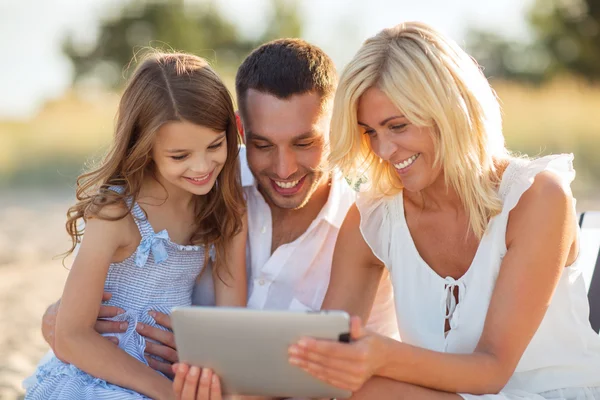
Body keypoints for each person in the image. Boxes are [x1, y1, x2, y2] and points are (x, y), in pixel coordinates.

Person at [37, 40, 399, 397]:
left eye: (304, 143)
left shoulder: (362, 224)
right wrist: (60, 318)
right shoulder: (201, 190)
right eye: (262, 145)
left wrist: (210, 363)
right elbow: (76, 324)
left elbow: (311, 367)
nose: (284, 168)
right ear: (241, 131)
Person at [283, 22, 600, 399]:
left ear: (450, 110)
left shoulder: (537, 198)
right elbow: (325, 357)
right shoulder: (375, 217)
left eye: (397, 126)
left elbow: (493, 370)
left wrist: (382, 356)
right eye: (369, 132)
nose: (383, 150)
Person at [24, 52, 248, 400]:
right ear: (144, 146)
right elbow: (70, 336)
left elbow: (232, 324)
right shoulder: (117, 213)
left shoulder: (226, 207)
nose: (203, 166)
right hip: (99, 379)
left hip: (174, 382)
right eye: (180, 156)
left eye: (215, 145)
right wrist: (165, 392)